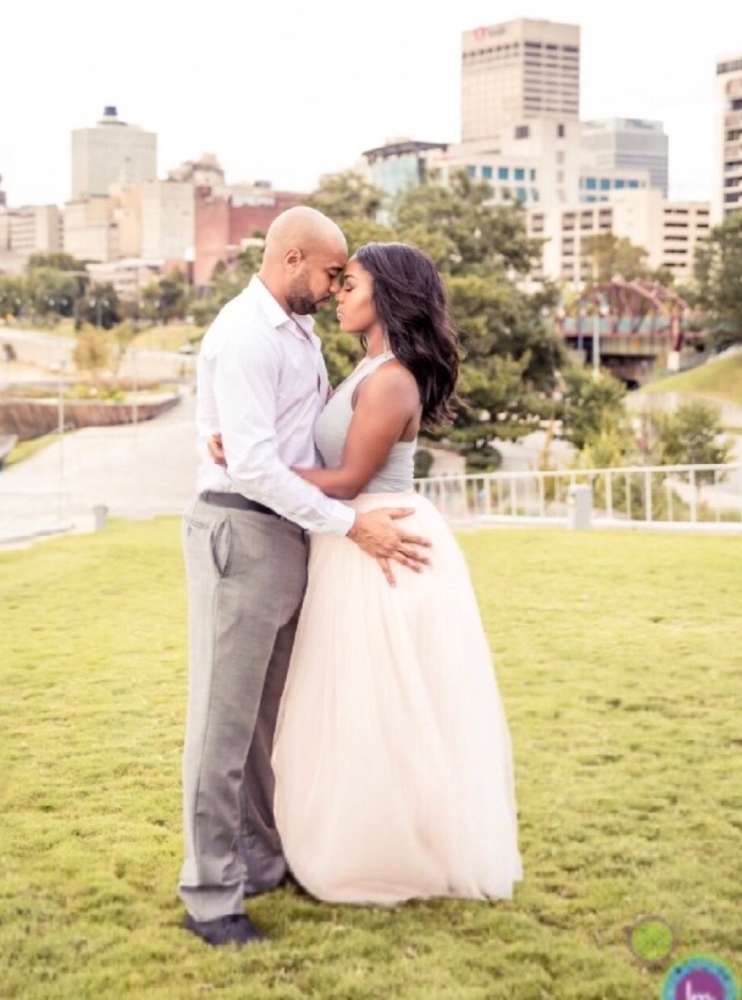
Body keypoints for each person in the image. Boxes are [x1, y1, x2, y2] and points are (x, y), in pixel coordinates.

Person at [179, 208, 431, 948]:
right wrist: (351, 523)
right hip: (243, 530)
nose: (333, 288)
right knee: (220, 728)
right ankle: (210, 897)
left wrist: (214, 439)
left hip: (291, 531)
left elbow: (229, 426)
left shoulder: (298, 332)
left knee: (261, 725)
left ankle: (257, 861)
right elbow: (251, 464)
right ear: (292, 258)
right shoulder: (247, 333)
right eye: (329, 273)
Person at [271, 242, 523, 905]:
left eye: (350, 284)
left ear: (388, 296)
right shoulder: (369, 369)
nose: (339, 295)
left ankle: (388, 851)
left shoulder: (390, 379)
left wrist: (255, 466)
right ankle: (364, 834)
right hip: (355, 537)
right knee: (360, 698)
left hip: (381, 541)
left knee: (380, 701)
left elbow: (351, 477)